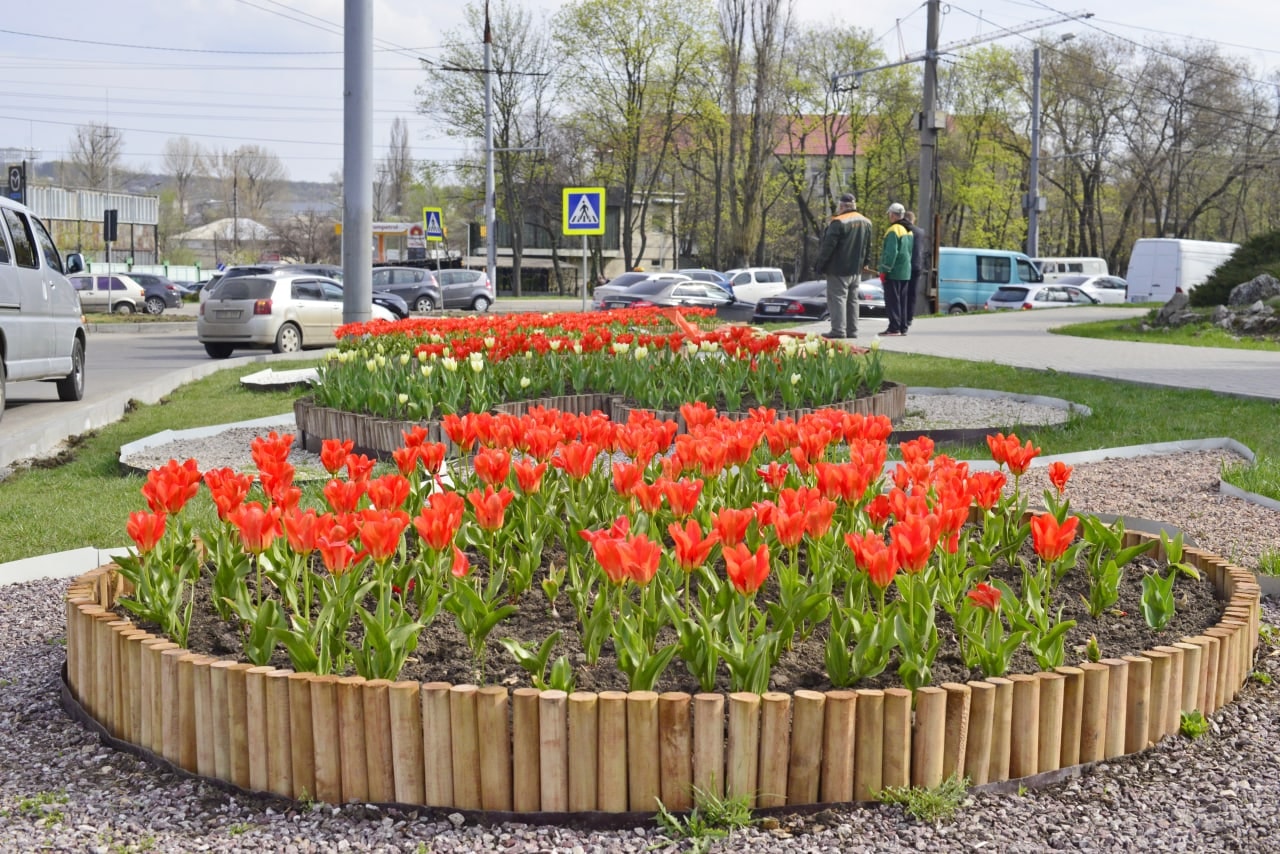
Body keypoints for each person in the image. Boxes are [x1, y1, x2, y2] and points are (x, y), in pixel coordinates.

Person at [812, 192, 873, 339]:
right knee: (853, 301)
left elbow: (828, 247)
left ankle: (838, 330)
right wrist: (865, 263)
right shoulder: (866, 222)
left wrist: (819, 265)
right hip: (856, 270)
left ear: (841, 206)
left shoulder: (838, 222)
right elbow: (868, 246)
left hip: (838, 269)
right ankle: (852, 331)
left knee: (837, 298)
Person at [878, 203, 914, 336]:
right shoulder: (908, 230)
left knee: (892, 301)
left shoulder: (893, 230)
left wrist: (885, 270)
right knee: (903, 301)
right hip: (905, 271)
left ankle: (894, 327)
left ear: (893, 215)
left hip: (894, 272)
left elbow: (891, 253)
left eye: (889, 214)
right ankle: (903, 326)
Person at [902, 210, 926, 333]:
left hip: (906, 266)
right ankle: (909, 317)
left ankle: (903, 317)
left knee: (903, 293)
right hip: (917, 266)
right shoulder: (921, 232)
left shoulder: (903, 230)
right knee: (912, 294)